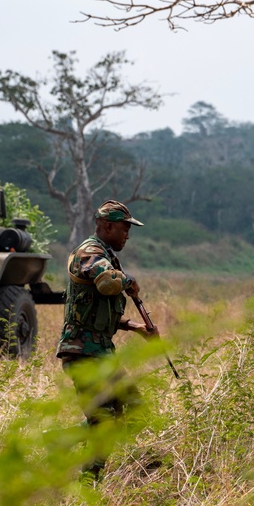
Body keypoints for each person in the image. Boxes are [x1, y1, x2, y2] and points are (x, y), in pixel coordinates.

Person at [56, 199, 157, 482]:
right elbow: (106, 283)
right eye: (125, 228)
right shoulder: (89, 253)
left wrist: (136, 326)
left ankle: (60, 440)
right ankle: (87, 484)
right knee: (104, 422)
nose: (128, 234)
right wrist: (128, 281)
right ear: (108, 226)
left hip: (101, 351)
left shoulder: (106, 255)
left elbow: (100, 310)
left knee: (134, 408)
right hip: (82, 353)